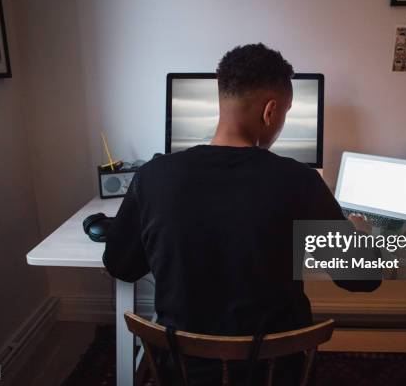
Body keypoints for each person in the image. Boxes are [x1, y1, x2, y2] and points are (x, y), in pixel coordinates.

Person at [103, 43, 381, 385]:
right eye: (286, 113)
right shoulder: (298, 181)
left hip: (183, 369)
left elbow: (121, 265)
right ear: (270, 111)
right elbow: (362, 279)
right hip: (274, 371)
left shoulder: (153, 177)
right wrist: (356, 231)